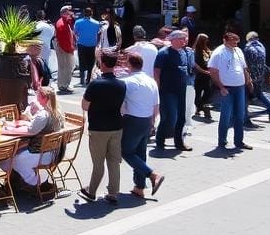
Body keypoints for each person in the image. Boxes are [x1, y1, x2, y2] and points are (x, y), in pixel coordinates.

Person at [80, 52, 126, 204]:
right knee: (114, 161)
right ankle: (113, 192)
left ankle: (91, 191)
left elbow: (84, 106)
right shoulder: (121, 84)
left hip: (98, 128)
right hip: (116, 126)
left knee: (98, 163)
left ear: (103, 64)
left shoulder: (95, 84)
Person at [3, 86, 64, 192]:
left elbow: (29, 131)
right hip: (53, 153)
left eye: (38, 96)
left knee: (12, 159)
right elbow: (36, 126)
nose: (36, 98)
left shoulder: (43, 115)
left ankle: (34, 182)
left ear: (44, 98)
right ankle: (36, 180)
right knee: (17, 152)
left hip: (40, 155)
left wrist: (8, 130)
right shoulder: (58, 113)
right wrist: (28, 121)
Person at [120, 53, 164, 200]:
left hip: (133, 120)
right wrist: (152, 122)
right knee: (140, 154)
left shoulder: (128, 82)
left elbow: (121, 103)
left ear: (129, 65)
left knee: (126, 151)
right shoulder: (151, 81)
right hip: (146, 120)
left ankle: (152, 175)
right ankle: (139, 187)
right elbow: (156, 105)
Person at [208, 32, 253, 150]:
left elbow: (244, 67)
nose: (235, 43)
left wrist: (248, 80)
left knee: (240, 115)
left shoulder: (238, 51)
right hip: (227, 88)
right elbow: (213, 71)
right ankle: (222, 142)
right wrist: (221, 87)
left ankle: (239, 141)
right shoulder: (219, 52)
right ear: (225, 40)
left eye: (236, 41)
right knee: (226, 116)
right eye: (232, 41)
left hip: (240, 87)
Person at [152, 30, 192, 151]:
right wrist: (157, 88)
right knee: (168, 117)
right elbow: (156, 72)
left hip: (181, 89)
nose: (184, 41)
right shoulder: (163, 53)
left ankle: (179, 142)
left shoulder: (184, 52)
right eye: (182, 38)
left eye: (185, 38)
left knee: (181, 117)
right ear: (173, 39)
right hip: (167, 90)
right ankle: (160, 139)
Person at [243, 31, 270, 125]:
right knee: (259, 93)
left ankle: (245, 118)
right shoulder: (262, 47)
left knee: (245, 96)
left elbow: (245, 63)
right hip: (260, 75)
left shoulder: (247, 48)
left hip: (251, 76)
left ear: (248, 39)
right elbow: (263, 62)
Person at [74, 8, 101, 86]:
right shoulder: (96, 23)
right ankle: (88, 80)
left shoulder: (78, 22)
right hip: (92, 45)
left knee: (81, 62)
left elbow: (75, 33)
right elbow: (98, 33)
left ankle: (82, 80)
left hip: (81, 44)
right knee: (91, 62)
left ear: (83, 13)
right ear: (91, 13)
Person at [54, 6, 76, 93]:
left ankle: (63, 85)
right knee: (66, 67)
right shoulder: (62, 24)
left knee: (65, 67)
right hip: (65, 49)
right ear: (63, 13)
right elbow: (63, 40)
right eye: (68, 12)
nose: (70, 13)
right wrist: (70, 49)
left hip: (66, 48)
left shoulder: (65, 22)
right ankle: (64, 86)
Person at [192, 33, 214, 121]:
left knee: (208, 92)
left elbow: (209, 58)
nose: (207, 41)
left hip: (207, 74)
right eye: (206, 39)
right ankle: (200, 108)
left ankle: (200, 106)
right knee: (198, 92)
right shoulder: (196, 51)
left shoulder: (206, 49)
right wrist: (203, 71)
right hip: (199, 75)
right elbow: (195, 64)